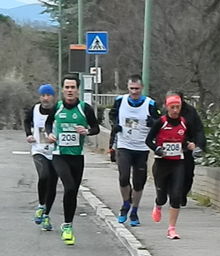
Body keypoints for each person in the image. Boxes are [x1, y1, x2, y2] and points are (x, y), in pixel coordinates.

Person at [45, 74, 99, 245]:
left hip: (77, 156)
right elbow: (48, 123)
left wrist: (87, 131)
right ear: (62, 89)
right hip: (59, 155)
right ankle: (67, 227)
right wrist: (50, 134)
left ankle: (67, 225)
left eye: (73, 87)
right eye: (67, 87)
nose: (70, 90)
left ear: (78, 89)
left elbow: (96, 128)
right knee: (68, 186)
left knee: (73, 192)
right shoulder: (57, 107)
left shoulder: (85, 108)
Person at [145, 93, 199, 239]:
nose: (175, 110)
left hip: (178, 163)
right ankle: (158, 205)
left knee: (176, 196)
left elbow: (191, 138)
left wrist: (190, 144)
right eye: (172, 107)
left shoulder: (184, 123)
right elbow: (148, 141)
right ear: (167, 107)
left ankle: (171, 229)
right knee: (162, 197)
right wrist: (157, 149)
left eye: (178, 107)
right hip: (162, 164)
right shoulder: (160, 122)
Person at [108, 75, 160, 225]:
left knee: (138, 182)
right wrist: (115, 125)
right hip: (124, 145)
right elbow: (112, 115)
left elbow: (159, 122)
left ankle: (135, 211)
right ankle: (125, 204)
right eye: (131, 89)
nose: (134, 92)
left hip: (142, 147)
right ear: (128, 87)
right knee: (123, 177)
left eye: (137, 89)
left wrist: (153, 123)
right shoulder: (120, 101)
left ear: (141, 88)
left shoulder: (150, 103)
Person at [23, 84, 58, 231]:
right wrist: (29, 135)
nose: (45, 98)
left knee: (52, 185)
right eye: (43, 95)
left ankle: (46, 215)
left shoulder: (59, 110)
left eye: (48, 95)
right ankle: (41, 205)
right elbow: (26, 121)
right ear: (40, 97)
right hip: (39, 150)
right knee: (44, 176)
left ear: (53, 97)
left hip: (56, 152)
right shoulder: (35, 109)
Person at [175, 92, 206, 206]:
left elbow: (198, 129)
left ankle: (182, 194)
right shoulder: (165, 111)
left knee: (188, 174)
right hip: (170, 149)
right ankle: (173, 194)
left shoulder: (190, 111)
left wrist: (198, 144)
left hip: (187, 148)